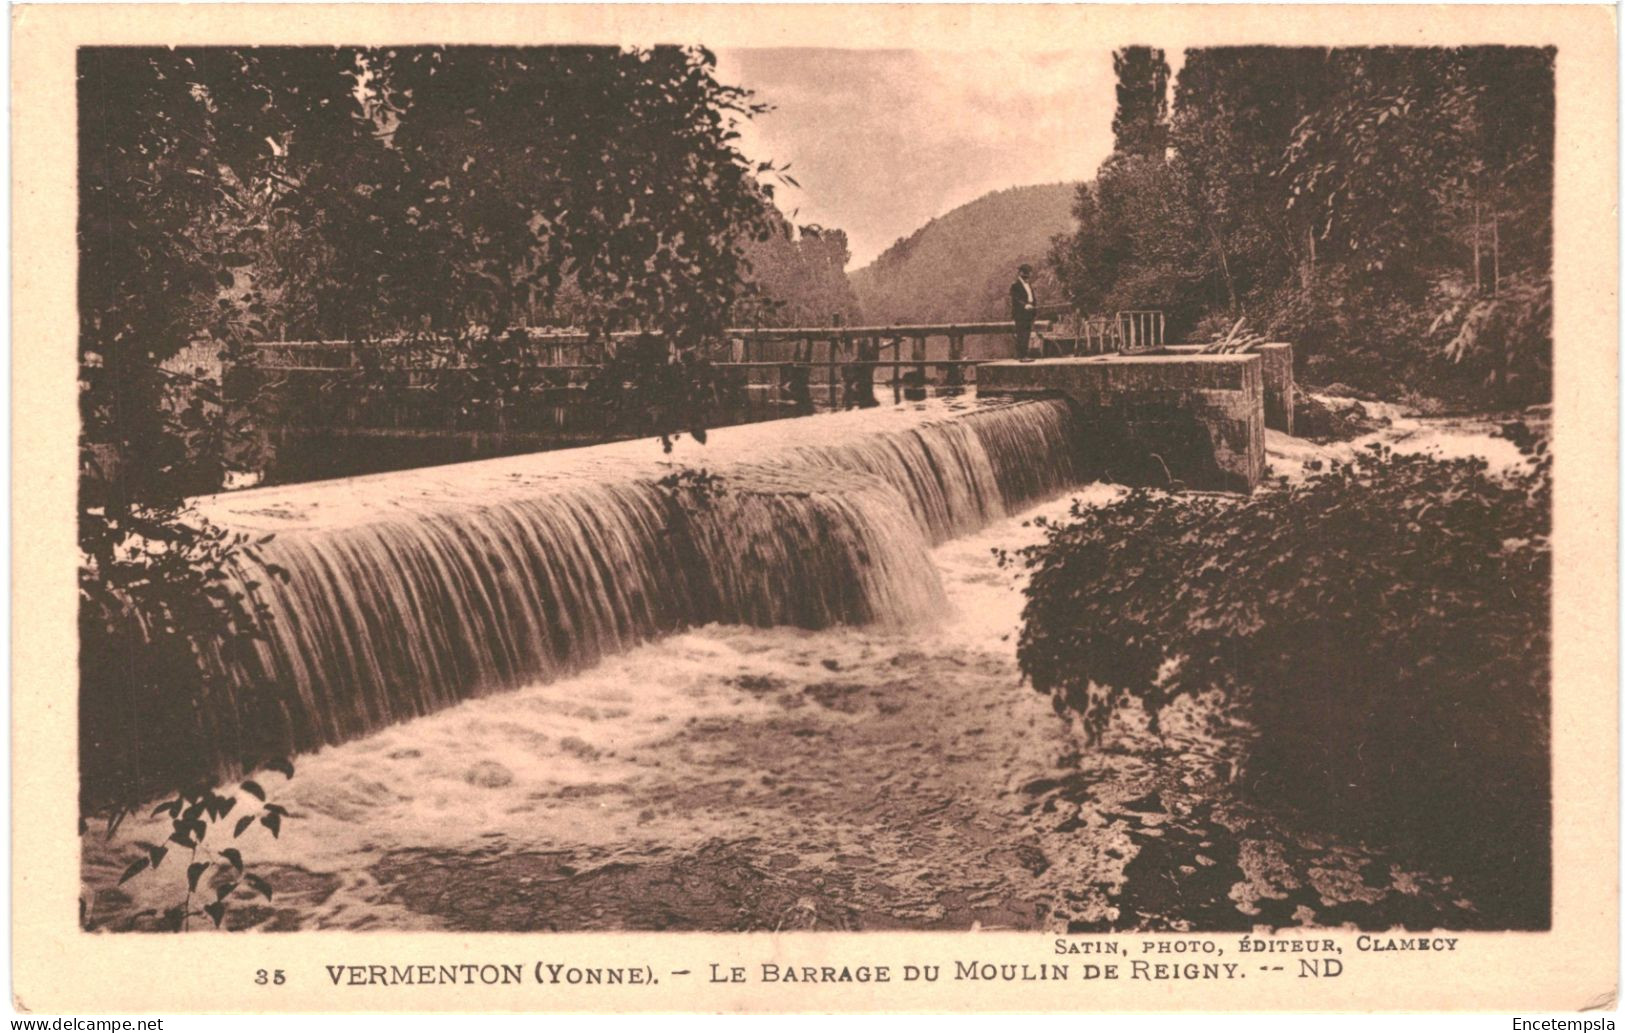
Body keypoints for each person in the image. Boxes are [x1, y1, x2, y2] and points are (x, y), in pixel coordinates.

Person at [1009, 264, 1038, 361]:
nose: (1028, 276)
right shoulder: (1015, 285)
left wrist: (1033, 307)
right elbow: (1016, 299)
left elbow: (1032, 297)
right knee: (1021, 334)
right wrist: (1025, 305)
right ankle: (1021, 355)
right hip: (1020, 313)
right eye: (1026, 273)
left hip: (1029, 312)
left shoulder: (1028, 284)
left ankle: (1025, 355)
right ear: (1021, 273)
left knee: (1027, 334)